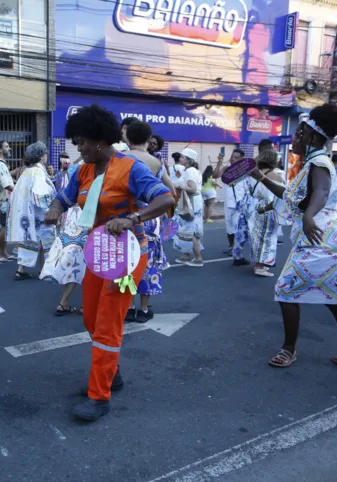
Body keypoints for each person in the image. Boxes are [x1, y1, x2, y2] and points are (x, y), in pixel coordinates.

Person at [44, 104, 174, 421]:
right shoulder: (84, 170)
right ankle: (110, 372)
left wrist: (134, 218)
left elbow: (166, 199)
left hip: (128, 256)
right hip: (99, 252)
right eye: (76, 142)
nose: (78, 148)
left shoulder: (129, 167)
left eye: (81, 142)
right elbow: (64, 196)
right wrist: (55, 209)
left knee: (107, 325)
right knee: (90, 318)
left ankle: (99, 395)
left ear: (100, 140)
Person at [251, 103, 337, 375]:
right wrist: (259, 176)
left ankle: (288, 349)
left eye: (299, 133)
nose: (294, 138)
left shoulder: (318, 162)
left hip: (320, 234)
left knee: (286, 289)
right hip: (328, 235)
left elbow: (322, 192)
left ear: (312, 137)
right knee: (333, 297)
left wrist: (309, 216)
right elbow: (291, 196)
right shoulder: (313, 164)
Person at [124, 121, 176, 322]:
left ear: (128, 138)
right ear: (148, 140)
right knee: (148, 263)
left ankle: (128, 307)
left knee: (127, 263)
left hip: (124, 217)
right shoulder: (156, 162)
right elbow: (170, 190)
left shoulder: (119, 159)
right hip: (149, 217)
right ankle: (144, 309)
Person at [41, 155, 87, 315]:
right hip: (87, 218)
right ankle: (85, 304)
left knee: (74, 261)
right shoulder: (94, 168)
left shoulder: (76, 168)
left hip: (72, 217)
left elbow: (64, 197)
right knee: (89, 262)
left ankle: (64, 302)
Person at [7, 142, 57, 280]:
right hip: (41, 212)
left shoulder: (27, 172)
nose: (46, 156)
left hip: (28, 213)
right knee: (46, 240)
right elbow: (40, 194)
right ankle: (45, 269)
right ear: (41, 156)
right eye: (45, 154)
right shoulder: (39, 171)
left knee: (29, 239)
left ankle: (21, 268)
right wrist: (51, 210)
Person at [247, 150, 283, 277]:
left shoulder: (255, 174)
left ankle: (258, 263)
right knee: (267, 237)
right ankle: (260, 266)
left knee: (258, 236)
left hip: (256, 206)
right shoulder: (276, 175)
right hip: (268, 208)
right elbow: (281, 194)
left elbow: (250, 191)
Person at [172, 148, 205, 267]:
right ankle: (187, 255)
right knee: (185, 229)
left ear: (188, 159)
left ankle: (198, 258)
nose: (180, 159)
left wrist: (179, 187)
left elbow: (193, 188)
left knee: (190, 230)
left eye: (182, 157)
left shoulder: (190, 171)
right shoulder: (193, 170)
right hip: (193, 201)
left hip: (191, 202)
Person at [213, 148, 246, 255]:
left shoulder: (245, 170)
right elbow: (215, 175)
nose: (233, 159)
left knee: (238, 227)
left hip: (240, 203)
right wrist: (219, 161)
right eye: (232, 156)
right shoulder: (226, 168)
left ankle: (237, 248)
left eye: (236, 157)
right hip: (228, 202)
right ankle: (231, 246)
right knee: (229, 226)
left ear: (241, 159)